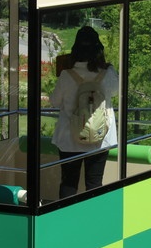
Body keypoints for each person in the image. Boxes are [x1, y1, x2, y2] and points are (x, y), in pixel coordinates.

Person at [50, 26, 119, 198]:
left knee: (68, 183)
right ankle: (93, 221)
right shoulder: (107, 73)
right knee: (95, 183)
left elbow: (54, 101)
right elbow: (116, 91)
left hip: (69, 137)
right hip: (100, 137)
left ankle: (66, 218)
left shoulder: (67, 75)